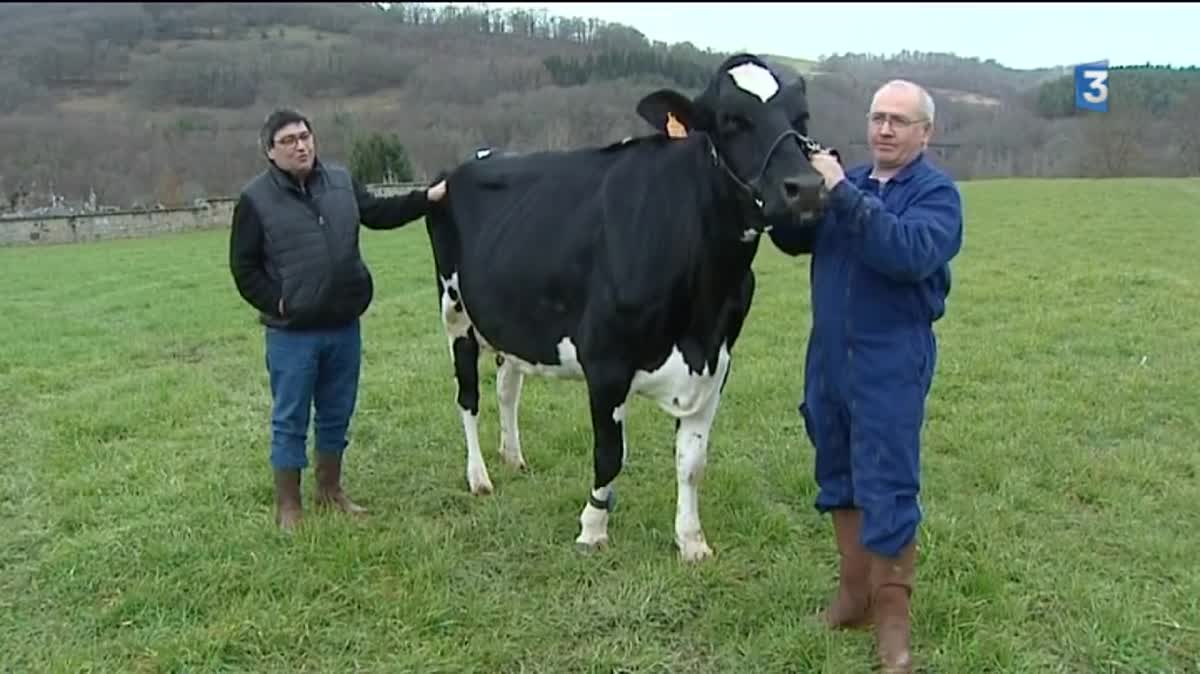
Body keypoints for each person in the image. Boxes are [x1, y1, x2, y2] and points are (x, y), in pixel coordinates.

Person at [769, 80, 964, 673]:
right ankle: (854, 597)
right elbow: (796, 240)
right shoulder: (845, 181)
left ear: (924, 133)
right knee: (837, 471)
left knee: (888, 481)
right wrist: (792, 198)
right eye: (878, 117)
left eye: (899, 121)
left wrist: (840, 192)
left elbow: (904, 252)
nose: (884, 129)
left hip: (890, 358)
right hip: (827, 356)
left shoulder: (936, 194)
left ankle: (893, 628)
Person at [229, 108, 447, 531]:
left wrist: (427, 199)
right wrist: (280, 304)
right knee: (290, 417)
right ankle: (289, 506)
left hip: (344, 324)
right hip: (293, 334)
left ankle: (330, 491)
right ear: (270, 152)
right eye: (288, 140)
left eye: (305, 136)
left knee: (336, 413)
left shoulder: (341, 182)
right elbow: (244, 268)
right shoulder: (255, 200)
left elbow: (380, 213)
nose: (301, 145)